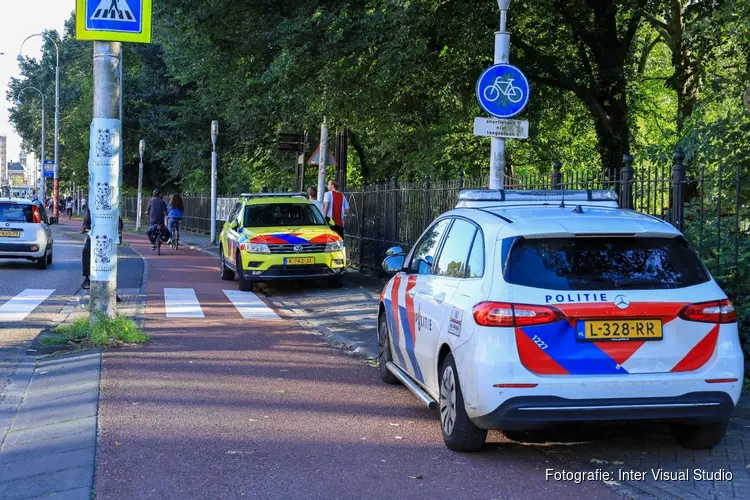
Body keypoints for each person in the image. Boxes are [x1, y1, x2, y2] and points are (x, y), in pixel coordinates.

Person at [81, 208, 123, 290]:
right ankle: (87, 278)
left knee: (111, 256)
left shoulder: (111, 208)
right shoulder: (92, 208)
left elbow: (119, 222)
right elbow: (86, 222)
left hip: (108, 238)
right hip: (94, 238)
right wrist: (85, 228)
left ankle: (112, 286)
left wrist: (118, 229)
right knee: (86, 251)